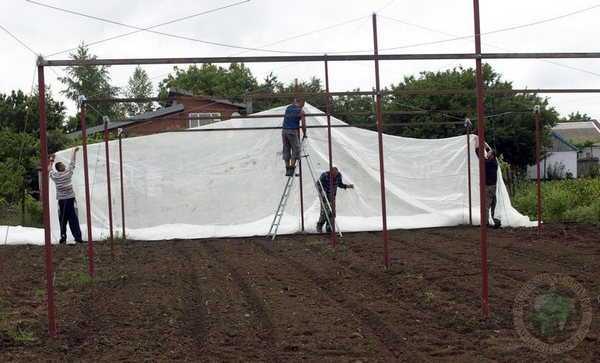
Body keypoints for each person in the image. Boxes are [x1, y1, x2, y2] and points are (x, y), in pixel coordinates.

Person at [49, 148, 84, 244]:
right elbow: (72, 163)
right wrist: (74, 152)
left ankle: (63, 237)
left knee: (63, 219)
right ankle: (78, 238)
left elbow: (49, 170)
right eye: (63, 165)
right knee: (73, 218)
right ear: (61, 168)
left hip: (62, 200)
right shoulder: (67, 173)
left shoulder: (55, 176)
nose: (65, 165)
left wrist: (51, 160)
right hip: (69, 199)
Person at [316, 167, 354, 233]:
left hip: (332, 196)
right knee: (325, 211)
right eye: (333, 174)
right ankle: (319, 226)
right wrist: (322, 192)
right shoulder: (325, 175)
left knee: (332, 212)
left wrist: (347, 186)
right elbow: (318, 184)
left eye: (336, 174)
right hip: (324, 196)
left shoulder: (338, 176)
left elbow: (339, 184)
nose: (335, 175)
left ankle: (329, 227)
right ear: (330, 172)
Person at [476, 145, 501, 228]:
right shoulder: (492, 161)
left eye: (489, 153)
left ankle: (485, 223)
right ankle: (496, 221)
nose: (487, 153)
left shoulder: (490, 163)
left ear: (492, 155)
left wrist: (477, 148)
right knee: (493, 204)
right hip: (492, 186)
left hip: (489, 187)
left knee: (486, 205)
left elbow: (480, 157)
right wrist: (485, 145)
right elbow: (487, 152)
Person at [281, 98, 307, 176]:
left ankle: (287, 167)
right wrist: (304, 133)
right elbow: (303, 125)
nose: (303, 106)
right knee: (296, 149)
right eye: (303, 104)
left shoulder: (288, 108)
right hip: (292, 131)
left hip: (284, 131)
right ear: (301, 102)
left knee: (286, 148)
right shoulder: (301, 111)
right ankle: (291, 168)